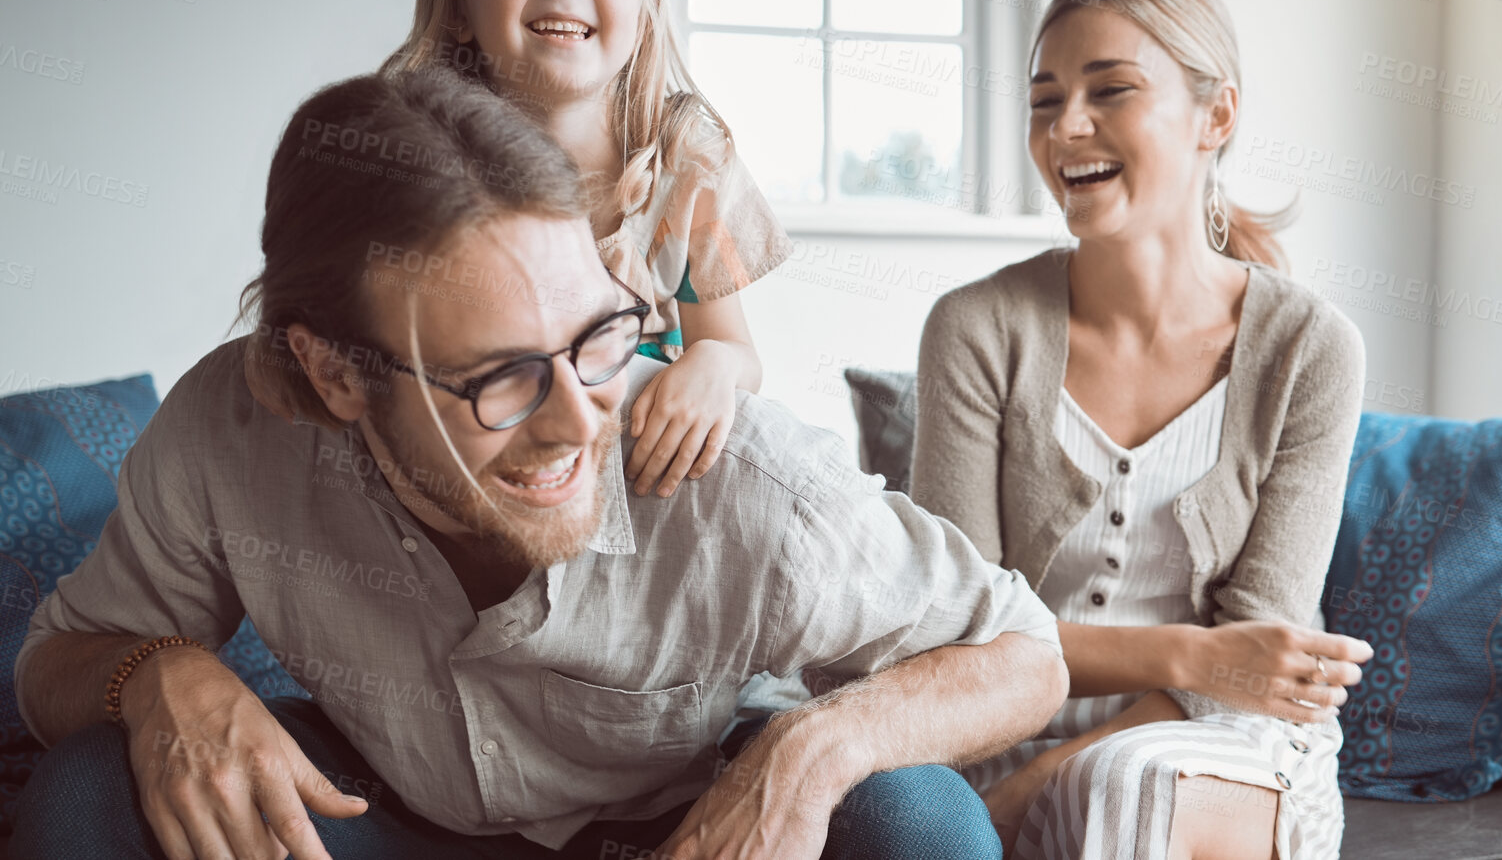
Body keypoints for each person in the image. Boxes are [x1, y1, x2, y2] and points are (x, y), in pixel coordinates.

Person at [10, 68, 1068, 860]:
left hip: (673, 825)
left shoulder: (748, 482)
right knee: (89, 795)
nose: (578, 421)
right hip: (385, 815)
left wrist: (812, 752)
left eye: (601, 337)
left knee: (920, 821)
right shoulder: (225, 429)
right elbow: (54, 667)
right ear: (333, 374)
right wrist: (152, 673)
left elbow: (1027, 655)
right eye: (502, 378)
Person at [910, 0, 1375, 860]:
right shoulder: (976, 327)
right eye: (1044, 101)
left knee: (1132, 778)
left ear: (1217, 116)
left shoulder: (1309, 349)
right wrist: (1184, 653)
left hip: (1222, 735)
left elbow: (1255, 657)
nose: (1065, 128)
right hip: (998, 726)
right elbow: (957, 624)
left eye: (1109, 90)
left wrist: (1040, 785)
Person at [383, 0, 790, 500]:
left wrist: (714, 365)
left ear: (645, 7)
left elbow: (736, 350)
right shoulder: (423, 162)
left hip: (642, 475)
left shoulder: (686, 160)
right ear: (457, 3)